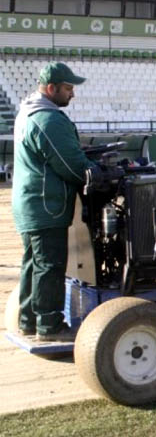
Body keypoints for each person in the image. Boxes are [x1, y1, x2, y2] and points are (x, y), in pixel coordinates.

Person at [12, 62, 95, 341]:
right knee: (50, 265)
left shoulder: (27, 112)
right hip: (47, 205)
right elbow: (70, 166)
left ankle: (29, 322)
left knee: (33, 264)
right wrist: (95, 171)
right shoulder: (48, 119)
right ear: (51, 88)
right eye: (68, 88)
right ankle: (50, 327)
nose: (72, 94)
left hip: (30, 205)